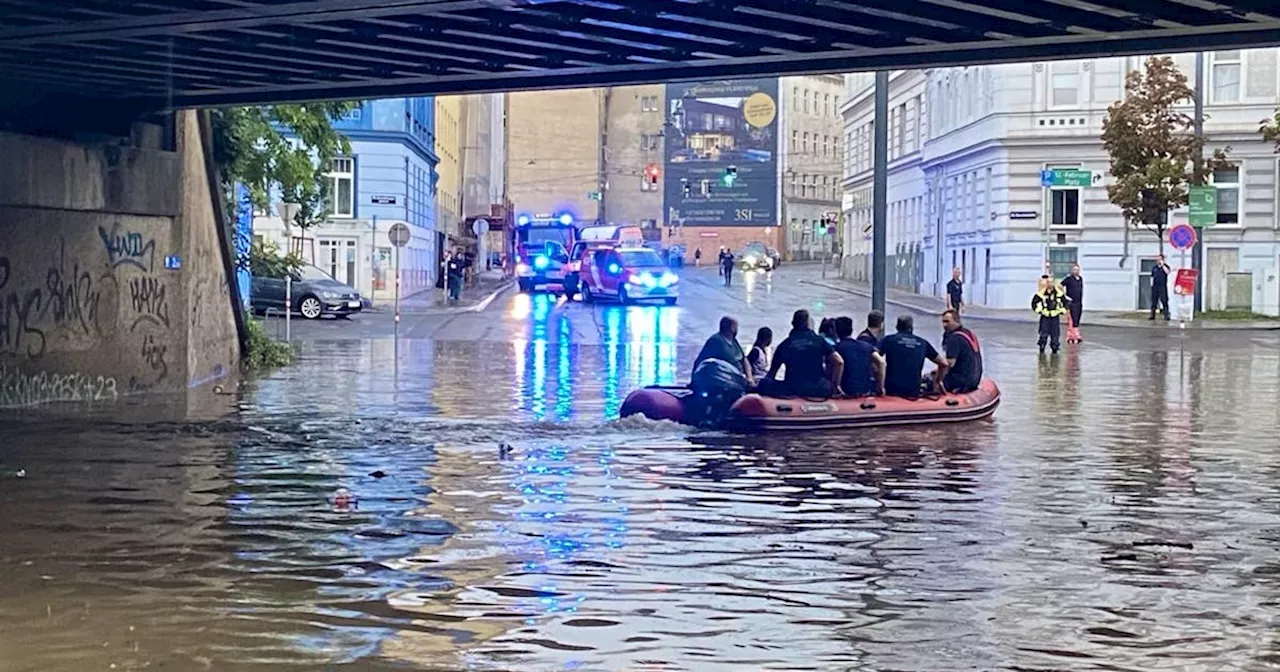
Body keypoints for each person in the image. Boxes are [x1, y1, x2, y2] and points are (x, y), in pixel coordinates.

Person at [760, 309, 844, 398]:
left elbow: (771, 374)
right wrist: (835, 386)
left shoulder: (785, 344)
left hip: (793, 388)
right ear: (808, 324)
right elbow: (839, 362)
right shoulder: (819, 341)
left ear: (793, 324)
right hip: (819, 388)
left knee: (764, 383)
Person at [879, 315, 949, 398]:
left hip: (892, 390)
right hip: (913, 391)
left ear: (897, 327)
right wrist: (938, 381)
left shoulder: (889, 340)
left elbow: (874, 357)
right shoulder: (922, 343)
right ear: (911, 328)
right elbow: (944, 363)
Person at [693, 316, 753, 386]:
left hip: (740, 378)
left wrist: (749, 377)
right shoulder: (716, 341)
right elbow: (700, 360)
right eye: (736, 326)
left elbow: (744, 359)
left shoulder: (734, 341)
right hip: (725, 380)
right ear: (732, 328)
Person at [834, 316, 885, 397]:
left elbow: (839, 363)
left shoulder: (836, 348)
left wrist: (836, 386)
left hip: (847, 391)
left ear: (836, 331)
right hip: (865, 390)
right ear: (851, 329)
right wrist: (880, 386)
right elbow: (881, 362)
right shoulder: (866, 346)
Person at [939, 310, 982, 393]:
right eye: (943, 322)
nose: (944, 325)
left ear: (956, 321)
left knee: (928, 381)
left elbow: (949, 364)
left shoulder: (954, 338)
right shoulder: (969, 333)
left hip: (960, 381)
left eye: (947, 322)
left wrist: (937, 375)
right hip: (974, 380)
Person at [1031, 275, 1070, 354]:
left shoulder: (1059, 293)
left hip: (1055, 317)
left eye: (1051, 282)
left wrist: (1062, 311)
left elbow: (1066, 303)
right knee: (1043, 336)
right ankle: (1042, 350)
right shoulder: (1041, 293)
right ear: (1046, 283)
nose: (1050, 284)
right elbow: (1033, 303)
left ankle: (1054, 351)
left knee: (1055, 337)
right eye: (1048, 282)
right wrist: (1040, 311)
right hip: (1045, 317)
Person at [1150, 254, 1171, 321]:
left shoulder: (1165, 267)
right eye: (1157, 259)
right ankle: (1152, 315)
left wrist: (1163, 265)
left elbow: (1167, 272)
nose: (1158, 261)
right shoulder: (1154, 268)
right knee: (1154, 301)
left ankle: (1166, 315)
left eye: (1160, 259)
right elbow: (1152, 276)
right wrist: (1151, 285)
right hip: (1155, 286)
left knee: (1164, 300)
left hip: (1162, 286)